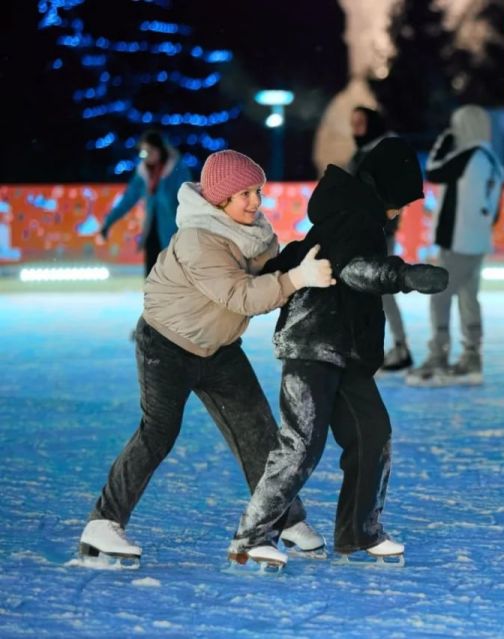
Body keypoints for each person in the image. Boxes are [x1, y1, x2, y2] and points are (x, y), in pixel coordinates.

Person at [78, 150, 336, 569]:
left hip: (218, 348)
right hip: (167, 344)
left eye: (257, 191)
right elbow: (243, 296)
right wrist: (295, 278)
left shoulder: (253, 231)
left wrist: (304, 262)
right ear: (219, 200)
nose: (255, 201)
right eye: (244, 194)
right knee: (159, 431)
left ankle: (284, 517)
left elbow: (271, 270)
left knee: (258, 430)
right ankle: (103, 523)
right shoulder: (199, 239)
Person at [227, 137, 448, 569]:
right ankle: (250, 537)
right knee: (302, 444)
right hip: (314, 342)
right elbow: (353, 270)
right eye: (402, 200)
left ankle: (359, 534)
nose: (403, 210)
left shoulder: (354, 214)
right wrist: (405, 275)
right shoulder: (356, 220)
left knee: (371, 434)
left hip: (347, 349)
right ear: (386, 189)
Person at [406, 105, 504, 387]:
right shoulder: (494, 161)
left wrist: (443, 142)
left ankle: (439, 357)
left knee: (440, 297)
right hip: (478, 242)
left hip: (457, 241)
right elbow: (495, 211)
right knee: (468, 298)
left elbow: (434, 171)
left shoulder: (467, 156)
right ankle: (472, 357)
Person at [345, 107, 413, 373]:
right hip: (359, 231)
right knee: (363, 291)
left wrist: (385, 219)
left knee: (381, 291)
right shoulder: (362, 152)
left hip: (378, 232)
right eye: (353, 122)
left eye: (360, 122)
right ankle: (371, 347)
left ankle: (400, 346)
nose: (356, 128)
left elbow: (395, 192)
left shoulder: (385, 151)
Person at [98, 130, 192, 277]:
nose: (145, 156)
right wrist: (108, 223)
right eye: (142, 152)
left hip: (175, 234)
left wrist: (162, 184)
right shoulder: (144, 173)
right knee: (152, 277)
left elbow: (186, 200)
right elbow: (127, 200)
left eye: (148, 151)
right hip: (151, 234)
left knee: (174, 278)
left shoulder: (177, 169)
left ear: (159, 150)